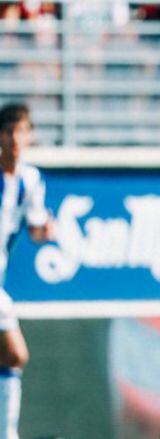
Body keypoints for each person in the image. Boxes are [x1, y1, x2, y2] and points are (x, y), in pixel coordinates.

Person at [0, 102, 55, 438]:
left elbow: (36, 227)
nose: (16, 139)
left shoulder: (31, 179)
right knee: (15, 353)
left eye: (22, 131)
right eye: (10, 131)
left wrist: (48, 228)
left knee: (10, 356)